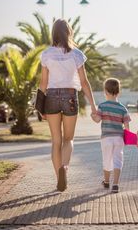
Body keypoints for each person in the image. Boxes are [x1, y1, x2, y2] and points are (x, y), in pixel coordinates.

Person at [39, 19, 97, 192]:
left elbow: (43, 83)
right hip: (70, 96)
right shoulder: (76, 54)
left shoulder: (46, 54)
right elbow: (84, 83)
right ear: (69, 32)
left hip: (50, 98)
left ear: (53, 34)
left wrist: (40, 107)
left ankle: (59, 178)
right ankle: (64, 168)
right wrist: (94, 106)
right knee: (68, 139)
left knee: (56, 141)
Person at [91, 78, 131, 193]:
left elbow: (97, 120)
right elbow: (127, 125)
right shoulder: (122, 108)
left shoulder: (102, 106)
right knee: (118, 160)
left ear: (105, 92)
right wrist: (128, 138)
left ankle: (107, 181)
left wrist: (92, 116)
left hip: (106, 138)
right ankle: (116, 184)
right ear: (118, 92)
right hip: (119, 138)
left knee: (107, 160)